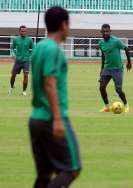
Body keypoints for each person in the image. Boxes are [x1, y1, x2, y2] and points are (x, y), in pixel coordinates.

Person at [29, 7, 81, 188]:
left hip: (35, 119)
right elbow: (49, 83)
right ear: (63, 25)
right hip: (51, 118)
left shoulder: (39, 48)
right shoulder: (54, 50)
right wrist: (58, 119)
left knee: (44, 174)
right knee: (72, 169)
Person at [98, 24, 132, 113]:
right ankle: (107, 107)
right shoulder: (100, 43)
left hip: (117, 69)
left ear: (110, 32)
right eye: (104, 32)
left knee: (118, 89)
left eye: (107, 31)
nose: (105, 33)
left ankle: (126, 105)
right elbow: (103, 56)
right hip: (107, 68)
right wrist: (102, 69)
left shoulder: (116, 41)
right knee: (101, 87)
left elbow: (126, 49)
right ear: (101, 32)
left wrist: (129, 62)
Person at [9, 25, 34, 96]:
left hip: (26, 61)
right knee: (13, 75)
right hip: (18, 60)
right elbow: (12, 48)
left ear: (26, 31)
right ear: (19, 31)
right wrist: (13, 55)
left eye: (25, 31)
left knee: (26, 75)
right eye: (22, 31)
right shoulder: (16, 39)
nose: (23, 32)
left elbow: (33, 48)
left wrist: (30, 56)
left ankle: (24, 91)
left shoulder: (29, 40)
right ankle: (11, 86)